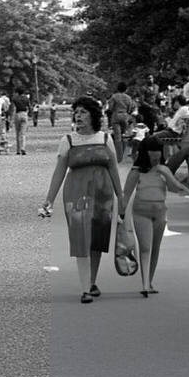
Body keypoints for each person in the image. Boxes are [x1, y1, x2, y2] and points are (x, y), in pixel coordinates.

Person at [41, 96, 124, 303]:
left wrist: (120, 196)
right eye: (76, 112)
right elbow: (59, 171)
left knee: (97, 238)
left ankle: (92, 281)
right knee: (81, 238)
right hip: (76, 194)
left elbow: (113, 167)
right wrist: (49, 199)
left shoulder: (105, 139)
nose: (78, 116)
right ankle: (85, 288)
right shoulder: (68, 141)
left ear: (93, 115)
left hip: (103, 194)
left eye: (83, 112)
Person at [119, 135, 189, 296]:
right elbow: (126, 194)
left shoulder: (163, 169)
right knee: (145, 248)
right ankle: (144, 284)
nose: (155, 158)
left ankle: (149, 281)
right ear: (145, 154)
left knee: (155, 248)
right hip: (141, 213)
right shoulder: (136, 171)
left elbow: (175, 187)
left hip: (160, 213)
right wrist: (120, 216)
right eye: (152, 155)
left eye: (157, 155)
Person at [106, 81, 135, 162]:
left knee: (117, 137)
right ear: (126, 89)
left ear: (117, 88)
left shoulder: (114, 97)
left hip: (116, 116)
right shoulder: (128, 98)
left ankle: (119, 157)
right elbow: (130, 108)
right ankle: (124, 155)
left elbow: (110, 108)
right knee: (124, 136)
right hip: (125, 116)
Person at [10, 85, 32, 155]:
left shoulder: (15, 98)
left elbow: (13, 108)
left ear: (17, 92)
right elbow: (30, 107)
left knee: (17, 133)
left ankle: (18, 150)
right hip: (24, 114)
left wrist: (11, 118)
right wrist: (30, 114)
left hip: (18, 114)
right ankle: (23, 148)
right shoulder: (26, 98)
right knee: (23, 133)